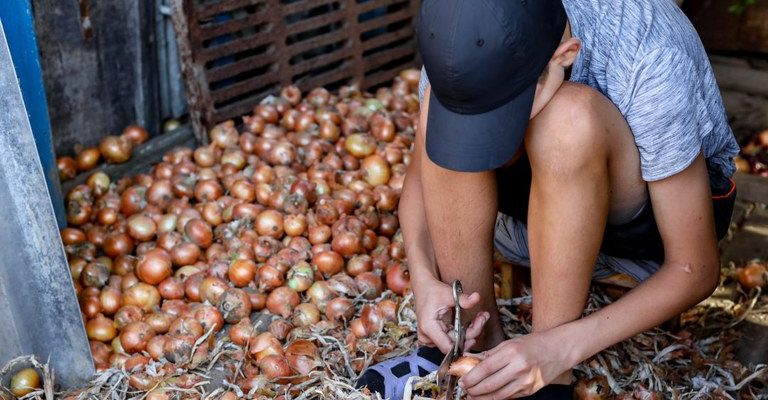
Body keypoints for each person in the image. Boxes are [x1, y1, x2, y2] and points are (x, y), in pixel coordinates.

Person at [355, 0, 740, 398]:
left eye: (502, 116)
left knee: (567, 120)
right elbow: (419, 182)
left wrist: (558, 348)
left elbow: (696, 268)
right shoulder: (463, 35)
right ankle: (469, 344)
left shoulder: (650, 52)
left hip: (644, 233)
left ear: (566, 53)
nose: (487, 142)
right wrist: (424, 281)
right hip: (528, 216)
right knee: (444, 107)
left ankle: (547, 383)